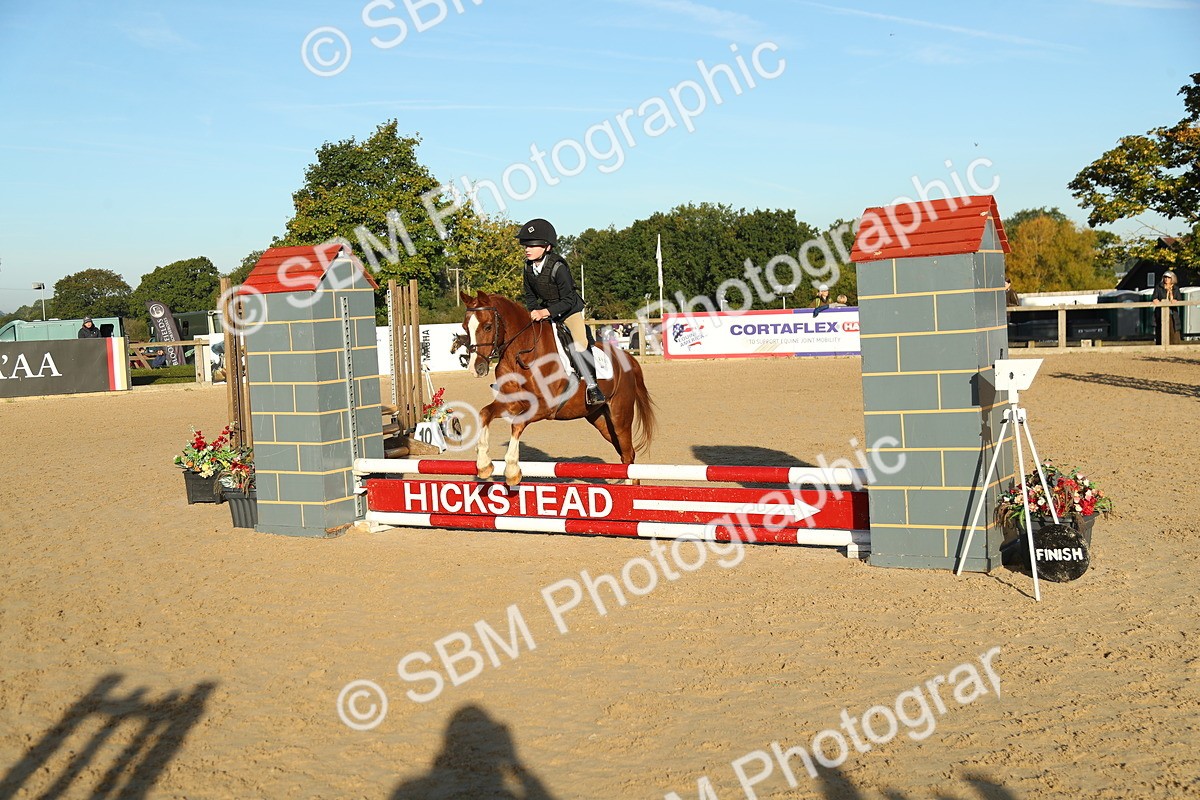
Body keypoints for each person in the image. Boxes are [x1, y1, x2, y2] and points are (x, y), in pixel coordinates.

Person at [518, 218, 605, 405]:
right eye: (526, 244)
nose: (527, 248)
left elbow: (568, 299)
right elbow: (530, 296)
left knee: (580, 343)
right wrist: (535, 311)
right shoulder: (527, 267)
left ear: (547, 247)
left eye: (533, 245)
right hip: (546, 310)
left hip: (569, 311)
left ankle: (592, 387)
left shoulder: (559, 267)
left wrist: (545, 312)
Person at [1152, 270, 1183, 345]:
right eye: (1165, 277)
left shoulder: (1175, 288)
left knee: (1174, 330)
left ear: (1172, 278)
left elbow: (1179, 298)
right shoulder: (1158, 287)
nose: (1166, 279)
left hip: (1172, 313)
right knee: (1160, 330)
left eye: (1168, 277)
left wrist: (1176, 300)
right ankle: (1160, 345)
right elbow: (1154, 297)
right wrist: (1155, 300)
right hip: (1161, 313)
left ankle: (1175, 346)